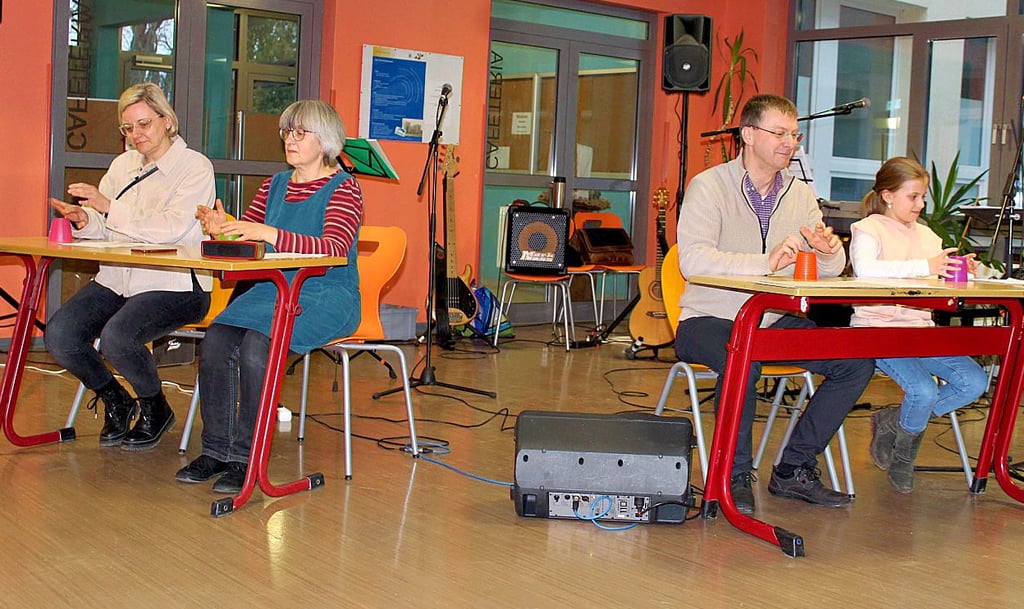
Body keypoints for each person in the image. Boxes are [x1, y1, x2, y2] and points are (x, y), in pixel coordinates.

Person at [674, 93, 875, 514]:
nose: (790, 143)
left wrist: (826, 251)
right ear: (748, 134)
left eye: (794, 135)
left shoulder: (800, 194)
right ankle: (733, 474)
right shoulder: (709, 186)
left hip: (772, 321)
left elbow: (829, 271)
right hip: (708, 319)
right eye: (779, 133)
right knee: (742, 358)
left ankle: (793, 469)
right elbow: (693, 261)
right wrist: (764, 263)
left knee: (855, 362)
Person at [176, 100, 363, 494]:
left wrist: (267, 233)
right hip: (274, 289)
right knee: (217, 340)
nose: (289, 141)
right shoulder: (275, 184)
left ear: (325, 139)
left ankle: (247, 457)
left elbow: (334, 248)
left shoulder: (345, 188)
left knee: (257, 347)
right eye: (286, 133)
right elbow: (248, 240)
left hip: (326, 294)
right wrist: (221, 228)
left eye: (299, 133)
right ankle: (217, 450)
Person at [46, 82, 214, 451]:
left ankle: (156, 407)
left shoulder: (195, 167)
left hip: (176, 285)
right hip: (118, 279)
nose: (135, 135)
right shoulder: (123, 165)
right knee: (60, 335)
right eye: (128, 128)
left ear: (167, 121)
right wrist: (84, 219)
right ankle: (115, 399)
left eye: (143, 124)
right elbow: (106, 224)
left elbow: (171, 228)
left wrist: (107, 206)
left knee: (119, 337)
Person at [850, 157, 989, 493]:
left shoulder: (927, 235)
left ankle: (894, 421)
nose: (921, 204)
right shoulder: (867, 229)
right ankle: (904, 457)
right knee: (923, 390)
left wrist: (963, 272)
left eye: (923, 197)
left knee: (974, 382)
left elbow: (934, 283)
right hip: (877, 330)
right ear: (887, 195)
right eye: (913, 197)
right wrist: (926, 266)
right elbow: (866, 271)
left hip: (920, 330)